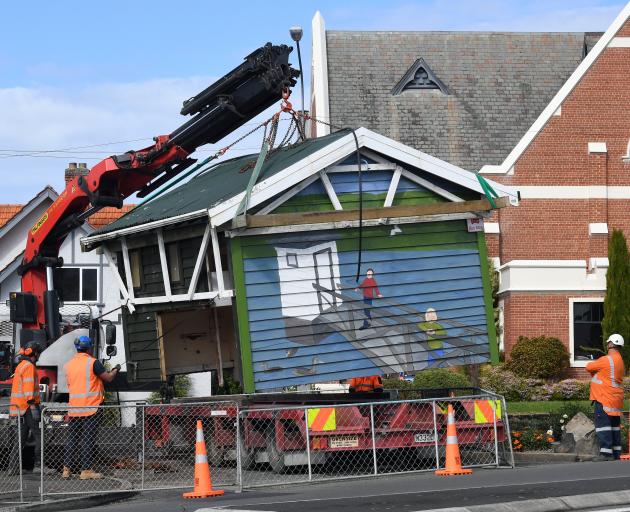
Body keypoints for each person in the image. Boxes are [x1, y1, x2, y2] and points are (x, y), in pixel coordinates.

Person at [62, 335, 120, 480]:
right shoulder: (93, 363)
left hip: (75, 408)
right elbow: (108, 378)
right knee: (88, 439)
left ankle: (66, 469)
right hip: (91, 408)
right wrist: (116, 369)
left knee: (72, 439)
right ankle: (86, 470)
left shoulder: (68, 365)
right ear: (89, 347)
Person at [586, 333, 625, 461]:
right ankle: (616, 453)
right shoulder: (620, 360)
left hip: (603, 397)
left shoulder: (606, 359)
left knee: (603, 426)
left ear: (611, 344)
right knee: (614, 427)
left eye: (608, 343)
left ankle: (606, 454)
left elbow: (588, 367)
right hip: (615, 399)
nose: (607, 344)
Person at [9, 341, 44, 474]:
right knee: (40, 436)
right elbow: (28, 389)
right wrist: (33, 407)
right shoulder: (29, 366)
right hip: (28, 407)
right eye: (39, 352)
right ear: (34, 353)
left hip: (19, 408)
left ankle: (13, 468)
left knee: (20, 439)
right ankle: (39, 466)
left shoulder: (20, 366)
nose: (39, 355)